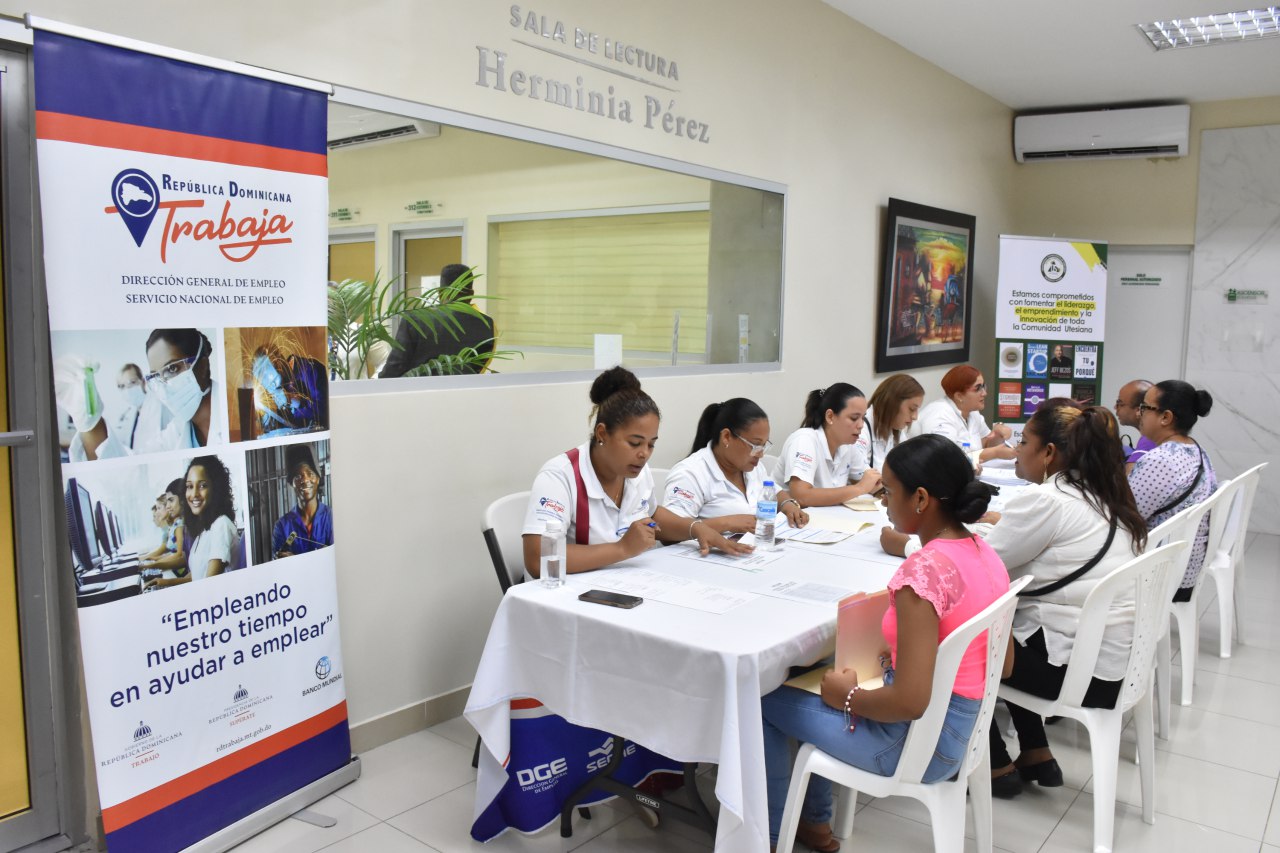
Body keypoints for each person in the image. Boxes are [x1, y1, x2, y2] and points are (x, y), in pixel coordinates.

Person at [760, 435, 1008, 852]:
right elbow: (1005, 662)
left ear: (921, 499)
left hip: (915, 746)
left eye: (889, 491)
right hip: (966, 735)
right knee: (821, 679)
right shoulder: (985, 552)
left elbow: (909, 702)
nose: (883, 501)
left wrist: (848, 698)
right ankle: (814, 823)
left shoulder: (923, 572)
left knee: (763, 698)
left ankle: (768, 834)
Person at [982, 401, 1148, 797]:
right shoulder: (1107, 496)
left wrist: (909, 544)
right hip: (1116, 668)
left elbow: (980, 568)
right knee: (1018, 626)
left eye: (1024, 441)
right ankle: (1036, 751)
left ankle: (994, 764)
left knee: (960, 641)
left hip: (1077, 675)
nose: (1017, 449)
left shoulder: (1048, 500)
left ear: (1049, 453)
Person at [522, 366, 660, 577]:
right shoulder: (560, 475)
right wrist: (622, 548)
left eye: (651, 444)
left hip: (622, 581)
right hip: (571, 589)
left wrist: (695, 527)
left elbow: (653, 513)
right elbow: (537, 559)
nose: (644, 454)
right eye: (634, 443)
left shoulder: (637, 471)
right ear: (602, 433)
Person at [653, 398, 808, 556]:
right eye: (755, 445)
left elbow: (774, 491)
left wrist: (788, 505)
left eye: (764, 445)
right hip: (705, 559)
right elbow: (666, 532)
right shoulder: (691, 473)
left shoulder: (752, 467)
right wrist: (727, 523)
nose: (760, 454)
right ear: (726, 437)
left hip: (751, 553)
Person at [59, 328, 219, 461]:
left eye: (172, 369)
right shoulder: (177, 431)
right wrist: (89, 422)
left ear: (203, 365)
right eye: (156, 376)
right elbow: (132, 469)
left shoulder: (231, 410)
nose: (164, 386)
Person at [1129, 380, 1219, 601]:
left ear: (1166, 417)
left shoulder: (1161, 460)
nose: (1139, 413)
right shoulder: (1195, 449)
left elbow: (1126, 518)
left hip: (1161, 573)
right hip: (1186, 569)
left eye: (1145, 407)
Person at [379, 264, 496, 378]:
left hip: (420, 390)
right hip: (466, 390)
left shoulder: (415, 320)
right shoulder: (487, 325)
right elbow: (479, 369)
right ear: (471, 294)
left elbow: (394, 369)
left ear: (440, 293)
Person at [777, 383, 880, 507]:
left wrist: (879, 484)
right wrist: (859, 488)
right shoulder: (805, 440)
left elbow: (871, 482)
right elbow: (801, 497)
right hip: (791, 516)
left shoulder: (848, 444)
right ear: (830, 416)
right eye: (854, 418)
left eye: (863, 418)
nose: (861, 425)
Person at [146, 456, 239, 588]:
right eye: (190, 486)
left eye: (202, 486)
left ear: (216, 488)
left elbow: (209, 586)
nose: (194, 494)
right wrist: (165, 583)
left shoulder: (221, 524)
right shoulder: (204, 529)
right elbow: (197, 576)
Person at [917, 364, 1014, 462]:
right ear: (959, 396)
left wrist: (997, 435)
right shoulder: (940, 415)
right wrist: (995, 453)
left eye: (983, 386)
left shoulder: (972, 411)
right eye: (978, 388)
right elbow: (946, 459)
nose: (984, 393)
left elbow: (985, 445)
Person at [272, 443, 334, 558]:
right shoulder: (281, 526)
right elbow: (278, 562)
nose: (305, 480)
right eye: (298, 476)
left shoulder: (332, 518)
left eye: (310, 474)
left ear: (318, 479)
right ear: (292, 483)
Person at [252, 345, 328, 435]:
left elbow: (325, 412)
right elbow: (290, 425)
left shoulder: (310, 369)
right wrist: (270, 421)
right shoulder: (280, 385)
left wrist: (294, 401)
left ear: (279, 362)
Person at [859, 374, 925, 469]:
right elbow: (860, 474)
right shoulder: (861, 430)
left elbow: (908, 465)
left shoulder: (896, 429)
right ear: (892, 403)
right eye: (912, 409)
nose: (915, 417)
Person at [139, 479, 188, 576]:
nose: (156, 513)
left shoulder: (179, 525)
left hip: (180, 571)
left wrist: (154, 564)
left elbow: (179, 555)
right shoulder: (174, 526)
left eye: (159, 508)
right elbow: (173, 553)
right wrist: (155, 560)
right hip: (176, 570)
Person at [1113, 378, 1156, 469]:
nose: (1115, 407)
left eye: (1120, 404)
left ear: (1140, 409)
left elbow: (1130, 477)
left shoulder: (1149, 441)